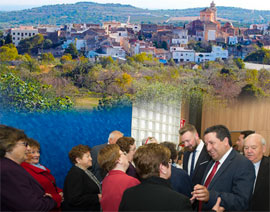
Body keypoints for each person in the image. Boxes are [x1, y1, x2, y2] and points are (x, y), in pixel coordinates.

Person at [192, 125, 255, 211]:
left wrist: (210, 196)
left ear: (225, 141)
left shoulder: (243, 164)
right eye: (206, 144)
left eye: (212, 143)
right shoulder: (211, 162)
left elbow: (241, 202)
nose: (208, 148)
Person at [119, 143, 192, 211]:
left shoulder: (128, 195)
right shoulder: (180, 201)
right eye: (169, 162)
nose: (170, 165)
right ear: (163, 168)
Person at [0, 125, 56, 211]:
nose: (28, 148)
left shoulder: (9, 167)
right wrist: (50, 200)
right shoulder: (9, 170)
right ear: (9, 147)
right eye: (25, 144)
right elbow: (33, 208)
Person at [21, 138, 63, 210]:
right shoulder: (24, 171)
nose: (37, 155)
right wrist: (58, 197)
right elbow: (38, 197)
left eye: (38, 151)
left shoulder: (40, 167)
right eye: (32, 152)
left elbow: (51, 185)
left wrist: (60, 192)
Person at [97, 144, 140, 212]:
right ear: (119, 160)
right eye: (123, 154)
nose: (126, 156)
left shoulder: (106, 180)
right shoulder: (131, 181)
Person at [62, 144, 101, 211]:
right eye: (87, 156)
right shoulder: (75, 174)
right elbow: (74, 199)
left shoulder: (84, 171)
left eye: (90, 156)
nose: (91, 159)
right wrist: (97, 197)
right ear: (78, 160)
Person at [244, 133, 269, 211]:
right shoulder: (236, 166)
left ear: (263, 149)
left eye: (253, 147)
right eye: (246, 148)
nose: (249, 151)